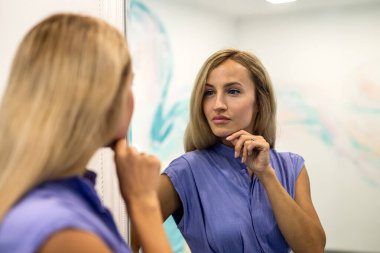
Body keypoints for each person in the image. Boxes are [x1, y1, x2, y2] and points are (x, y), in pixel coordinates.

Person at [0, 13, 172, 253]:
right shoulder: (66, 233)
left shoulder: (48, 202)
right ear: (103, 97)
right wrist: (144, 203)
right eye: (129, 84)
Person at [158, 48, 326, 252]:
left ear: (259, 102)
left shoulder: (292, 167)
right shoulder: (184, 171)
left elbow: (313, 248)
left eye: (233, 91)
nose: (218, 105)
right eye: (209, 93)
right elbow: (127, 237)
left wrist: (267, 176)